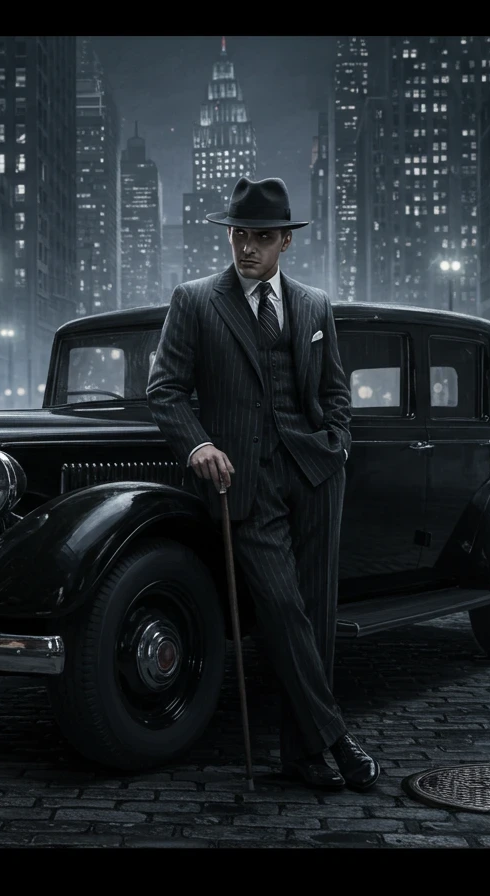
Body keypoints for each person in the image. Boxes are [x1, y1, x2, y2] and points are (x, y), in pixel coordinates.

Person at [146, 176, 380, 793]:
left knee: (317, 618)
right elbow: (165, 388)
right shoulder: (195, 300)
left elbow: (334, 393)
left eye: (261, 238)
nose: (247, 248)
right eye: (239, 235)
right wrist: (198, 444)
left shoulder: (314, 304)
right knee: (281, 610)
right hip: (242, 483)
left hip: (315, 474)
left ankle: (301, 756)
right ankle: (337, 738)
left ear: (286, 243)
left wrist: (337, 442)